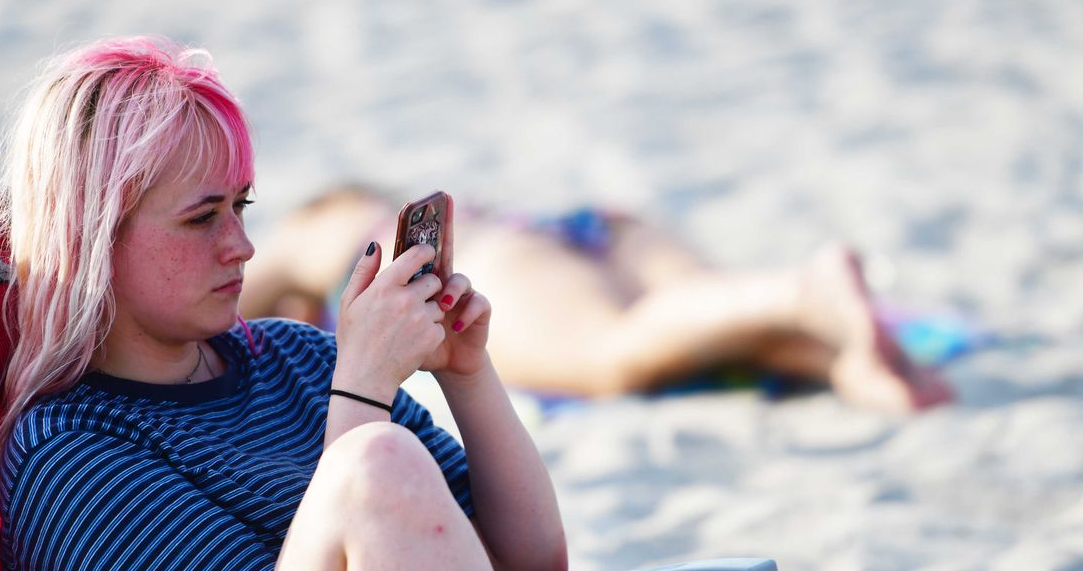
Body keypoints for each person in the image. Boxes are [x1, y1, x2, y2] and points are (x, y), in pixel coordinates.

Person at [0, 35, 893, 571]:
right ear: (92, 238)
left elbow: (534, 559)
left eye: (243, 208)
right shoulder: (69, 455)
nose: (242, 250)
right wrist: (365, 386)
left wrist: (468, 373)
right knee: (373, 467)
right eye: (200, 217)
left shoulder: (292, 362)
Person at [241, 187, 954, 413]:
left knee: (611, 354)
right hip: (583, 231)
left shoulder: (316, 227)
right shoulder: (375, 208)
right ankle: (840, 359)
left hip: (506, 262)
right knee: (708, 318)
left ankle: (810, 292)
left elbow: (227, 327)